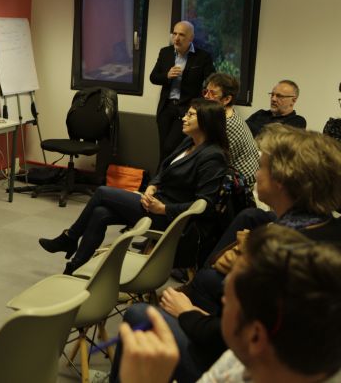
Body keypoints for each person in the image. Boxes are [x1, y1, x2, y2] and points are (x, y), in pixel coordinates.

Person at [117, 225, 341, 383]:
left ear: (255, 336)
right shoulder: (241, 360)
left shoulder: (241, 357)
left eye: (227, 295)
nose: (222, 299)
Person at [39, 98, 228, 275]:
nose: (184, 118)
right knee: (100, 213)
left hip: (171, 218)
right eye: (186, 114)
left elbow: (205, 204)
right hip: (155, 201)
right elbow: (164, 170)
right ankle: (74, 267)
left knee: (102, 192)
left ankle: (70, 238)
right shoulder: (189, 142)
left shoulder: (212, 156)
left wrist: (164, 209)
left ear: (206, 121)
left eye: (191, 115)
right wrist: (151, 187)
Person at [183, 124, 341, 314]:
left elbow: (253, 331)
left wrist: (186, 314)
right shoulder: (322, 224)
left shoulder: (282, 251)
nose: (256, 174)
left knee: (143, 311)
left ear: (281, 180)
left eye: (261, 167)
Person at [150, 20, 215, 163]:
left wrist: (206, 99)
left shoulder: (202, 57)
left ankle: (161, 180)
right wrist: (167, 76)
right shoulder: (165, 52)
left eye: (181, 35)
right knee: (163, 148)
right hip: (166, 108)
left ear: (191, 38)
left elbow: (211, 80)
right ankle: (160, 182)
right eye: (175, 34)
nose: (177, 38)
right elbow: (153, 77)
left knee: (171, 148)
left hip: (186, 109)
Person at [202, 73, 259, 185]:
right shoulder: (225, 115)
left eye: (212, 93)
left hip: (241, 184)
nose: (206, 96)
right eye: (206, 91)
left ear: (227, 99)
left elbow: (212, 161)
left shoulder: (228, 125)